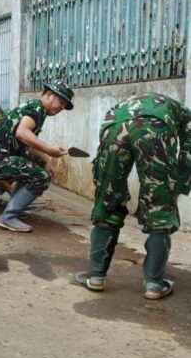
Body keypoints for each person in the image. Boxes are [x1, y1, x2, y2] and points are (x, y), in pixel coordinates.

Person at [74, 93, 191, 300]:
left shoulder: (124, 105)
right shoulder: (183, 113)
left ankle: (96, 276)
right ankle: (155, 284)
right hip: (155, 127)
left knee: (108, 200)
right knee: (159, 209)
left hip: (113, 124)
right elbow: (188, 154)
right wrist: (175, 190)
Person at [0, 80, 74, 232]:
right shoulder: (36, 109)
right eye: (61, 102)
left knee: (38, 164)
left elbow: (28, 144)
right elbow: (22, 133)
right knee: (41, 177)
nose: (61, 108)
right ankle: (9, 217)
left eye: (64, 105)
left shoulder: (36, 109)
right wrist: (49, 150)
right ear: (49, 94)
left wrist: (47, 160)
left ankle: (14, 208)